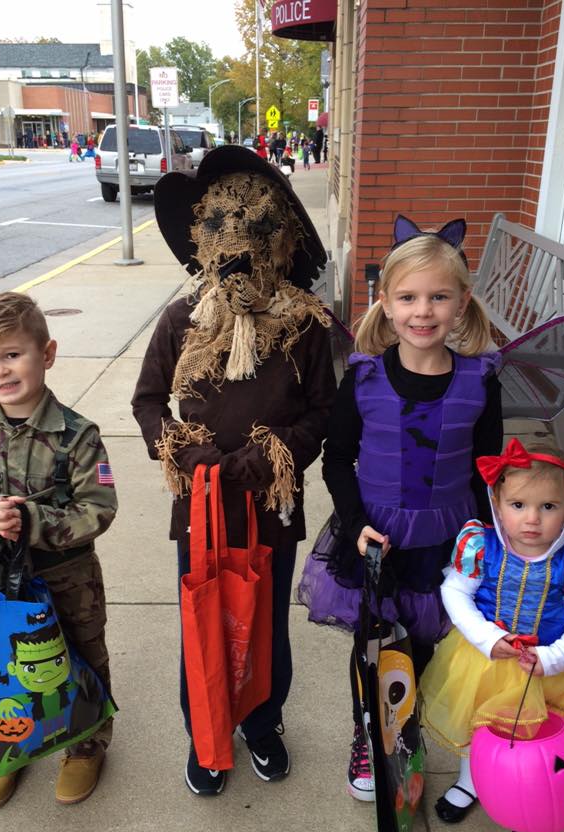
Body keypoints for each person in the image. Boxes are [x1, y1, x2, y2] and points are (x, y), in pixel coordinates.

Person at [132, 146, 336, 797]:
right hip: (202, 503)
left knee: (266, 621)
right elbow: (147, 402)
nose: (239, 247)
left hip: (270, 503)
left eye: (257, 230)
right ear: (203, 237)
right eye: (222, 228)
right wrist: (181, 451)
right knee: (204, 618)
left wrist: (276, 451)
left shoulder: (304, 326)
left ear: (283, 240)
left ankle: (262, 721)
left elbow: (323, 412)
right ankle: (207, 729)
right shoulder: (182, 320)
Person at [297, 214, 503, 803]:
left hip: (448, 538)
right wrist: (356, 522)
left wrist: (492, 539)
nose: (423, 311)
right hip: (376, 534)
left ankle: (406, 730)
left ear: (461, 302)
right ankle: (370, 731)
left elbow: (489, 469)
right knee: (375, 644)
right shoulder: (363, 380)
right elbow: (338, 460)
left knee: (426, 644)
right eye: (408, 297)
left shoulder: (480, 382)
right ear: (385, 303)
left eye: (439, 297)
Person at [0, 291, 118, 810]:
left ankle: (85, 745)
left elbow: (98, 509)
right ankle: (10, 746)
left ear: (46, 354)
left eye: (12, 354)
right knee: (0, 661)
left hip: (68, 578)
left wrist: (33, 521)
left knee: (81, 653)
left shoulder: (77, 435)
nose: (0, 371)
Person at [420, 438, 564, 832]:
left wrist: (552, 658)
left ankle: (537, 808)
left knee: (536, 741)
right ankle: (472, 780)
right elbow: (455, 592)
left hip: (548, 667)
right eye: (518, 505)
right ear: (497, 503)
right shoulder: (481, 545)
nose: (532, 519)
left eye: (548, 506)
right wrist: (487, 638)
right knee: (477, 723)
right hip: (485, 660)